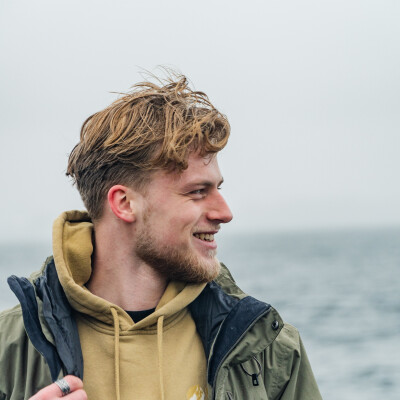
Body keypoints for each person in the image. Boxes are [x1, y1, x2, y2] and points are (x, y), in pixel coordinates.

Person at [0, 74, 322, 400]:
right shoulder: (8, 349)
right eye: (198, 192)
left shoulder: (266, 347)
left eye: (217, 189)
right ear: (125, 204)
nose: (224, 213)